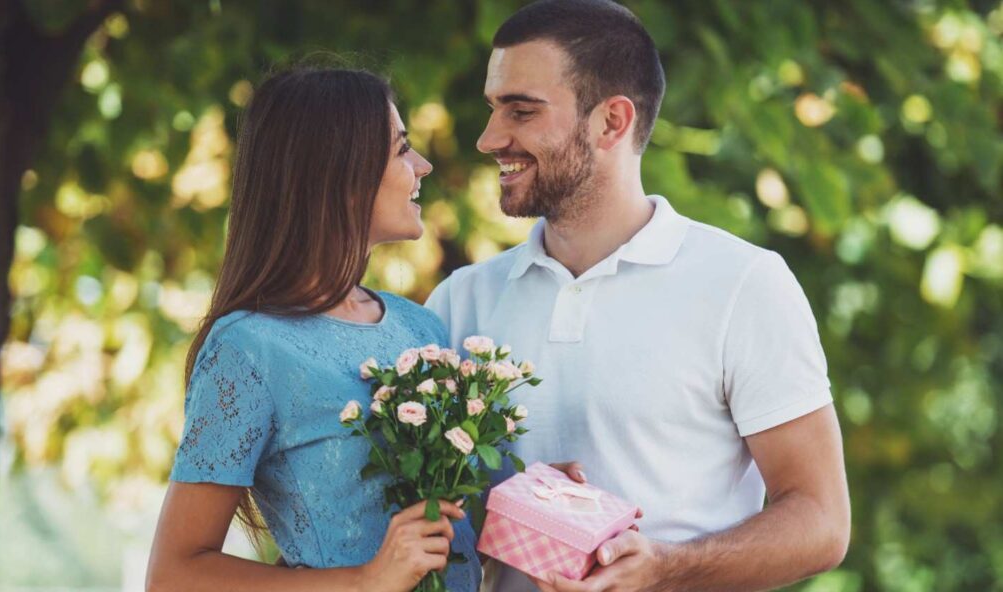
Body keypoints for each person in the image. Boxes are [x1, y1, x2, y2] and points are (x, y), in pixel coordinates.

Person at [425, 1, 850, 591]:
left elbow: (822, 522)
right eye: (494, 109)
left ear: (612, 122)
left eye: (521, 111)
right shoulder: (459, 301)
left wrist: (665, 567)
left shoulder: (743, 284)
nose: (489, 138)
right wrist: (512, 500)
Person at [146, 65, 482, 592]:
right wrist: (364, 581)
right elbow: (174, 574)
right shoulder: (247, 348)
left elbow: (456, 526)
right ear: (338, 172)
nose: (423, 164)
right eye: (400, 149)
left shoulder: (422, 329)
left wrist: (547, 501)